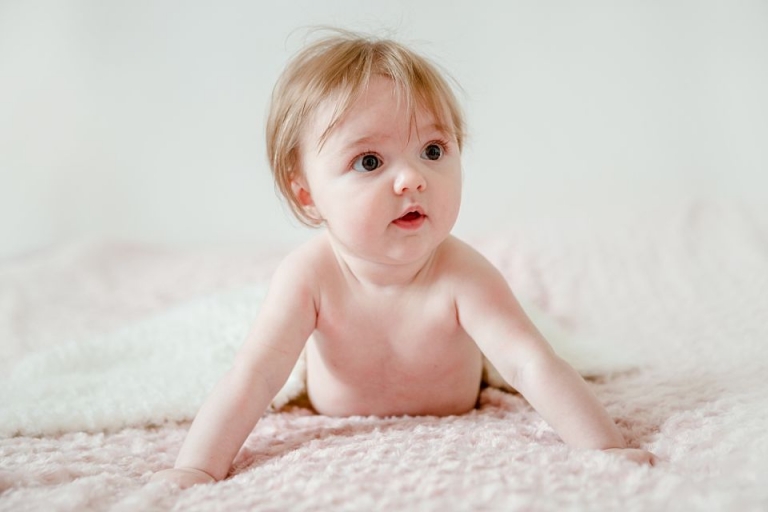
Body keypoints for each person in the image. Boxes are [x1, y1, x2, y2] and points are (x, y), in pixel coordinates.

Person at [152, 30, 656, 488]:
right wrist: (196, 467)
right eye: (369, 161)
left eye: (433, 151)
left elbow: (529, 364)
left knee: (532, 333)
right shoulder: (310, 277)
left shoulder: (463, 274)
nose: (412, 178)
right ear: (306, 194)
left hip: (458, 406)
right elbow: (256, 375)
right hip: (334, 411)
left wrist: (605, 448)